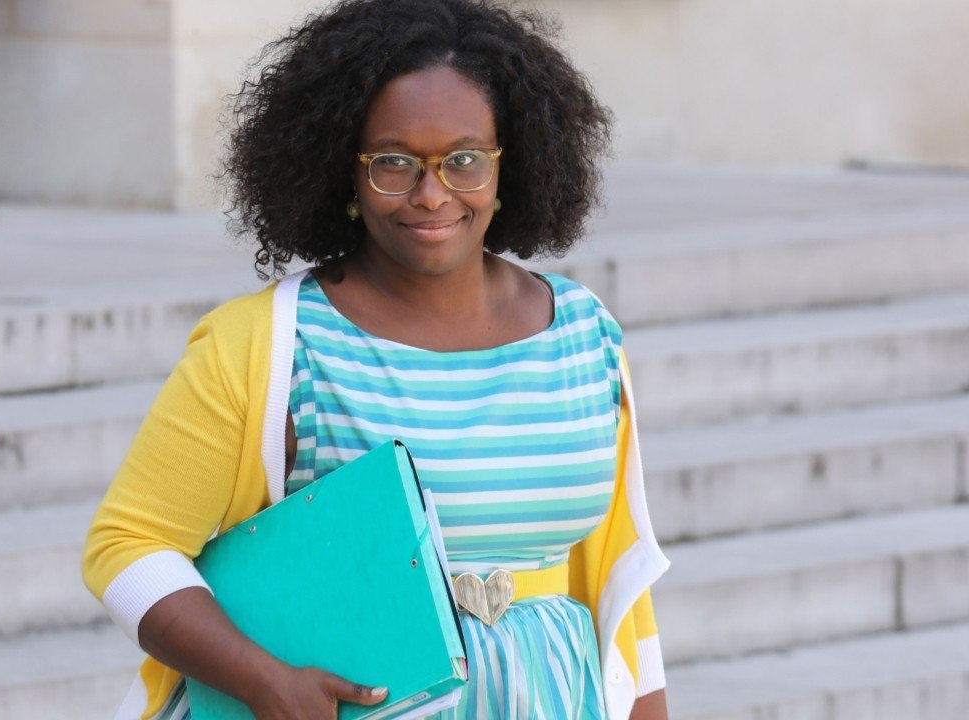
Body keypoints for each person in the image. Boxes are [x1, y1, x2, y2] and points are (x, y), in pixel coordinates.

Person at [81, 0, 672, 718]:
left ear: (507, 162)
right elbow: (127, 544)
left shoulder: (585, 336)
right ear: (345, 172)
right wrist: (265, 681)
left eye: (464, 160)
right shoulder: (267, 345)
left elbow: (619, 589)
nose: (431, 195)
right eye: (394, 163)